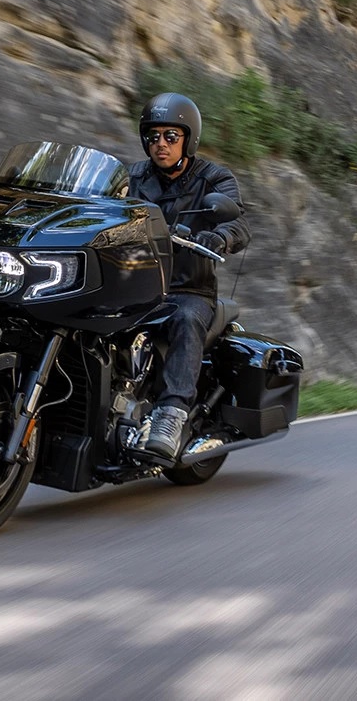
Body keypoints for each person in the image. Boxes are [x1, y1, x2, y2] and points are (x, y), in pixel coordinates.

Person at [128, 92, 249, 460]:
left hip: (188, 288)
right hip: (133, 284)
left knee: (184, 318)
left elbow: (239, 222)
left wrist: (219, 236)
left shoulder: (213, 177)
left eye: (170, 136)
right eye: (153, 136)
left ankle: (172, 413)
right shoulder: (132, 176)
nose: (160, 144)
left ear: (188, 138)